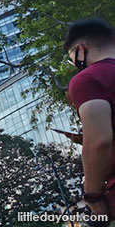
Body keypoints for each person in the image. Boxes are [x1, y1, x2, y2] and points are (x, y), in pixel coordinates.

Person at [64, 18, 115, 221]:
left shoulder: (88, 78)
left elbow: (99, 142)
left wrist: (92, 195)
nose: (75, 65)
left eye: (72, 59)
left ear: (81, 49)